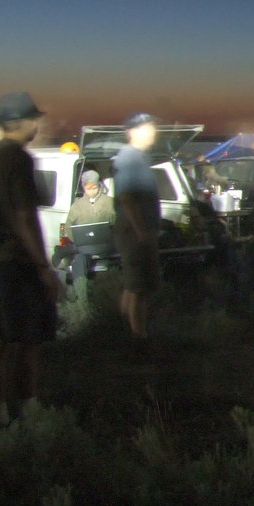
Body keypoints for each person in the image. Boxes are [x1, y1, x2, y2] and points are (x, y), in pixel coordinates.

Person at [0, 91, 61, 425]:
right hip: (16, 262)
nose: (37, 126)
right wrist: (43, 266)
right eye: (33, 120)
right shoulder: (18, 159)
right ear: (20, 122)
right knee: (27, 340)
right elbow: (24, 216)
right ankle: (27, 410)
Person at [113, 112, 162, 340]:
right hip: (135, 233)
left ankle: (125, 333)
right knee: (138, 288)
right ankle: (137, 338)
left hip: (138, 231)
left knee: (134, 285)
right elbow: (127, 198)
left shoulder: (139, 157)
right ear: (132, 132)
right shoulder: (129, 158)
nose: (153, 132)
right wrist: (141, 232)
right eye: (148, 128)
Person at [63, 169, 116, 293]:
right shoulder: (77, 206)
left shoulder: (110, 203)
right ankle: (81, 293)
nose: (91, 191)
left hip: (107, 246)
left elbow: (119, 224)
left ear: (99, 186)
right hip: (84, 247)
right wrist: (78, 240)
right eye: (88, 189)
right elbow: (69, 228)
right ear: (83, 188)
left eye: (94, 188)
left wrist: (112, 235)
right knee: (80, 261)